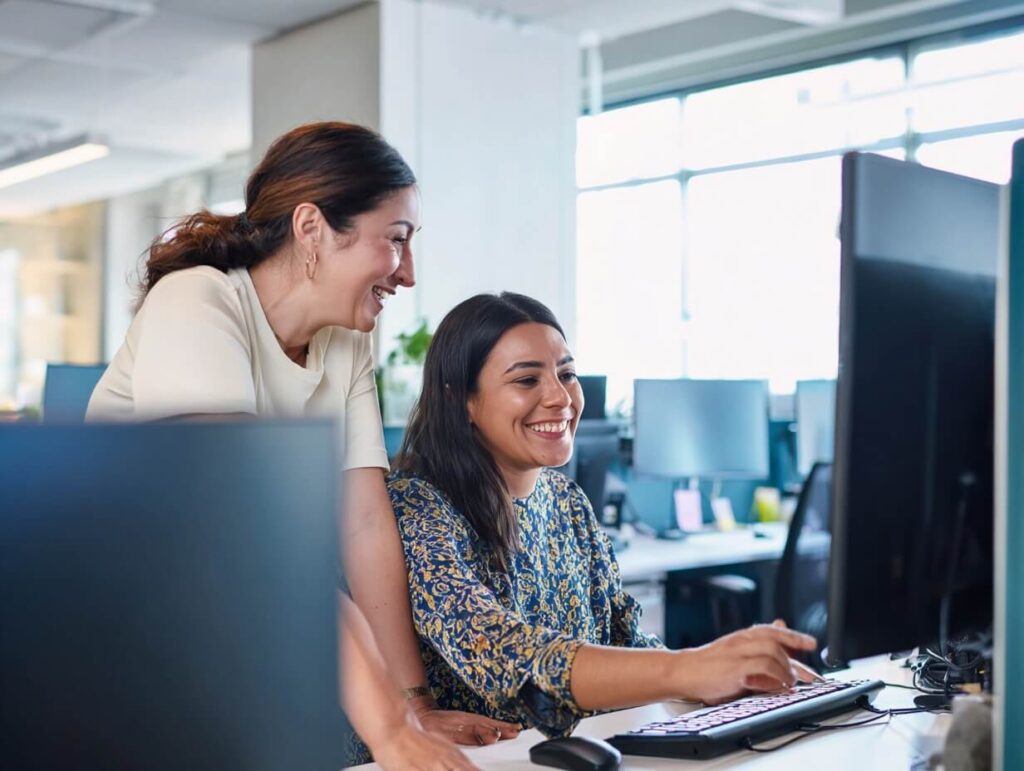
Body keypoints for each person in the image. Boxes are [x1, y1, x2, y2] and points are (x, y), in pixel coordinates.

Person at [87, 122, 516, 767]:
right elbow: (251, 534)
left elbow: (364, 523)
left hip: (219, 626)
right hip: (110, 632)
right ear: (312, 229)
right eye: (395, 241)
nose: (408, 274)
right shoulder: (197, 303)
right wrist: (392, 730)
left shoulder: (346, 341)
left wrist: (413, 704)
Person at [389, 292, 820, 737]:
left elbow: (625, 641)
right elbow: (496, 649)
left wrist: (721, 678)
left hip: (568, 756)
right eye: (526, 380)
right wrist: (688, 669)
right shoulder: (418, 505)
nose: (560, 397)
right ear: (463, 400)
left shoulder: (569, 503)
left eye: (567, 374)